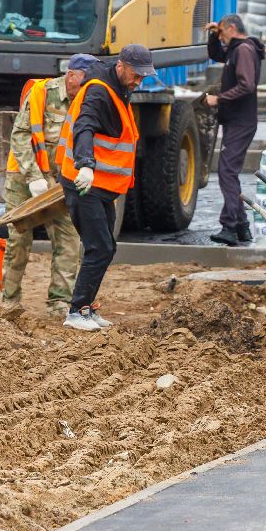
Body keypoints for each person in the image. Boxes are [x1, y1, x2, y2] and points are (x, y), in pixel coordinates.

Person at [56, 44, 157, 332]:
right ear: (122, 66)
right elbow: (84, 126)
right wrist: (85, 164)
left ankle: (86, 308)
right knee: (99, 246)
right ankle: (76, 312)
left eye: (143, 77)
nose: (139, 82)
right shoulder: (100, 90)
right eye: (136, 75)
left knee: (106, 247)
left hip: (100, 186)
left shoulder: (117, 86)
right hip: (84, 183)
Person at [0, 54, 93, 319]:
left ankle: (59, 303)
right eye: (86, 79)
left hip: (61, 183)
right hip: (24, 178)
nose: (90, 85)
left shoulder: (87, 100)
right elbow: (20, 136)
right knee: (19, 240)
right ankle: (10, 301)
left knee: (69, 238)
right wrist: (34, 177)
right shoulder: (42, 93)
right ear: (72, 75)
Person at [205, 14, 265, 246]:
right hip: (236, 121)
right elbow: (215, 54)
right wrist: (213, 35)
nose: (220, 37)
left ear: (231, 28)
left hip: (241, 121)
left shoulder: (244, 51)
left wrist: (218, 99)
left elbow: (247, 85)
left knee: (227, 172)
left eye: (221, 32)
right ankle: (241, 226)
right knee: (228, 171)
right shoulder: (235, 50)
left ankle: (229, 226)